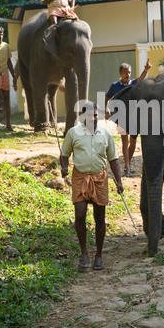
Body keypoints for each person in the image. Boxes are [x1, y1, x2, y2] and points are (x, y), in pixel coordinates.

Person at [60, 102, 123, 271]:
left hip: (100, 178)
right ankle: (84, 254)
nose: (92, 118)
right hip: (80, 177)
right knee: (80, 215)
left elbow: (113, 159)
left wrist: (119, 181)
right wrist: (64, 167)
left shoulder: (105, 133)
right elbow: (64, 153)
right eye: (89, 115)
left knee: (99, 218)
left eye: (95, 115)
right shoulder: (73, 133)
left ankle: (99, 255)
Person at [105, 60, 152, 177]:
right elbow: (107, 99)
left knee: (133, 141)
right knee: (124, 141)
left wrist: (145, 70)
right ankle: (127, 168)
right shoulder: (114, 86)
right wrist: (107, 110)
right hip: (120, 117)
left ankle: (128, 163)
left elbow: (140, 78)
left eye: (129, 72)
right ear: (120, 73)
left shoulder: (134, 83)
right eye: (125, 72)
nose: (128, 74)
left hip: (134, 116)